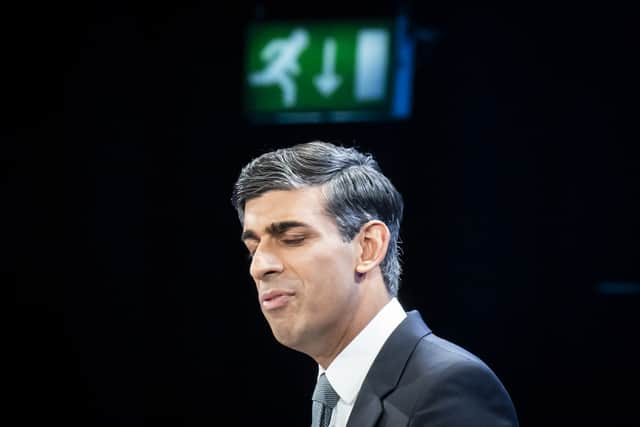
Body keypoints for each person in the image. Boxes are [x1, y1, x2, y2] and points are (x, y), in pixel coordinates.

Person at [231, 141, 519, 427]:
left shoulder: (450, 389)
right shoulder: (332, 392)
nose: (259, 267)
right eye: (254, 249)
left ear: (368, 247)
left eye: (292, 239)